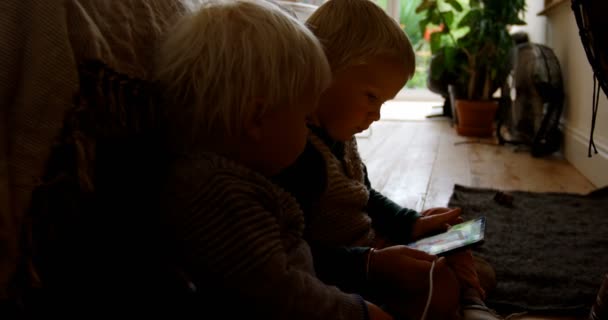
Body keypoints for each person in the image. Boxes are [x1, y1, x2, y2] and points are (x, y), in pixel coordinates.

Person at [154, 1, 394, 319]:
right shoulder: (220, 194)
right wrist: (362, 313)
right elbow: (281, 295)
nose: (309, 129)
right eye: (304, 118)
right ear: (257, 118)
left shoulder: (233, 179)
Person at [273, 0, 498, 319]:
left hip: (371, 246)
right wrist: (370, 264)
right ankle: (466, 294)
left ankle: (470, 294)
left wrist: (411, 222)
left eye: (383, 102)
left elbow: (365, 196)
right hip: (349, 272)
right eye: (371, 97)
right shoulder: (295, 153)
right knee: (442, 279)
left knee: (452, 230)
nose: (376, 115)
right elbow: (297, 254)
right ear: (320, 69)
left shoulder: (341, 137)